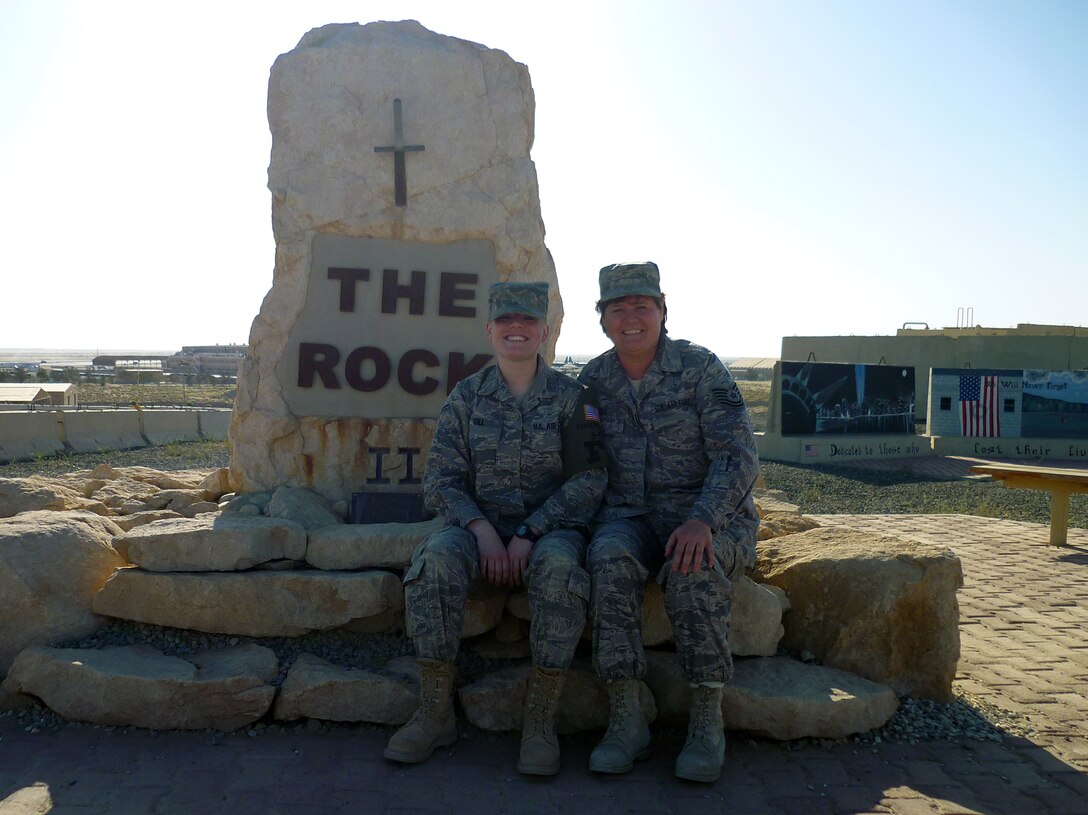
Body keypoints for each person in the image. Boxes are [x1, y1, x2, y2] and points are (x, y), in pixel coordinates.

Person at [384, 281, 607, 776]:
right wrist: (482, 530)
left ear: (544, 332)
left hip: (551, 530)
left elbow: (589, 481)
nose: (516, 329)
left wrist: (530, 532)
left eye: (527, 321)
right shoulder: (467, 396)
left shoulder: (575, 399)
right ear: (489, 330)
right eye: (505, 320)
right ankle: (435, 711)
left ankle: (540, 720)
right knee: (434, 563)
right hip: (475, 525)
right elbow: (441, 479)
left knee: (559, 572)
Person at [577, 262, 760, 783]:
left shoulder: (700, 368)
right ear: (604, 320)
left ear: (662, 310)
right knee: (608, 560)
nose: (631, 318)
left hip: (709, 516)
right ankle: (626, 715)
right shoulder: (594, 378)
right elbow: (585, 461)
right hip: (630, 518)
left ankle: (706, 719)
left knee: (692, 567)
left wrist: (703, 520)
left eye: (642, 306)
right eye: (618, 309)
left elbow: (737, 456)